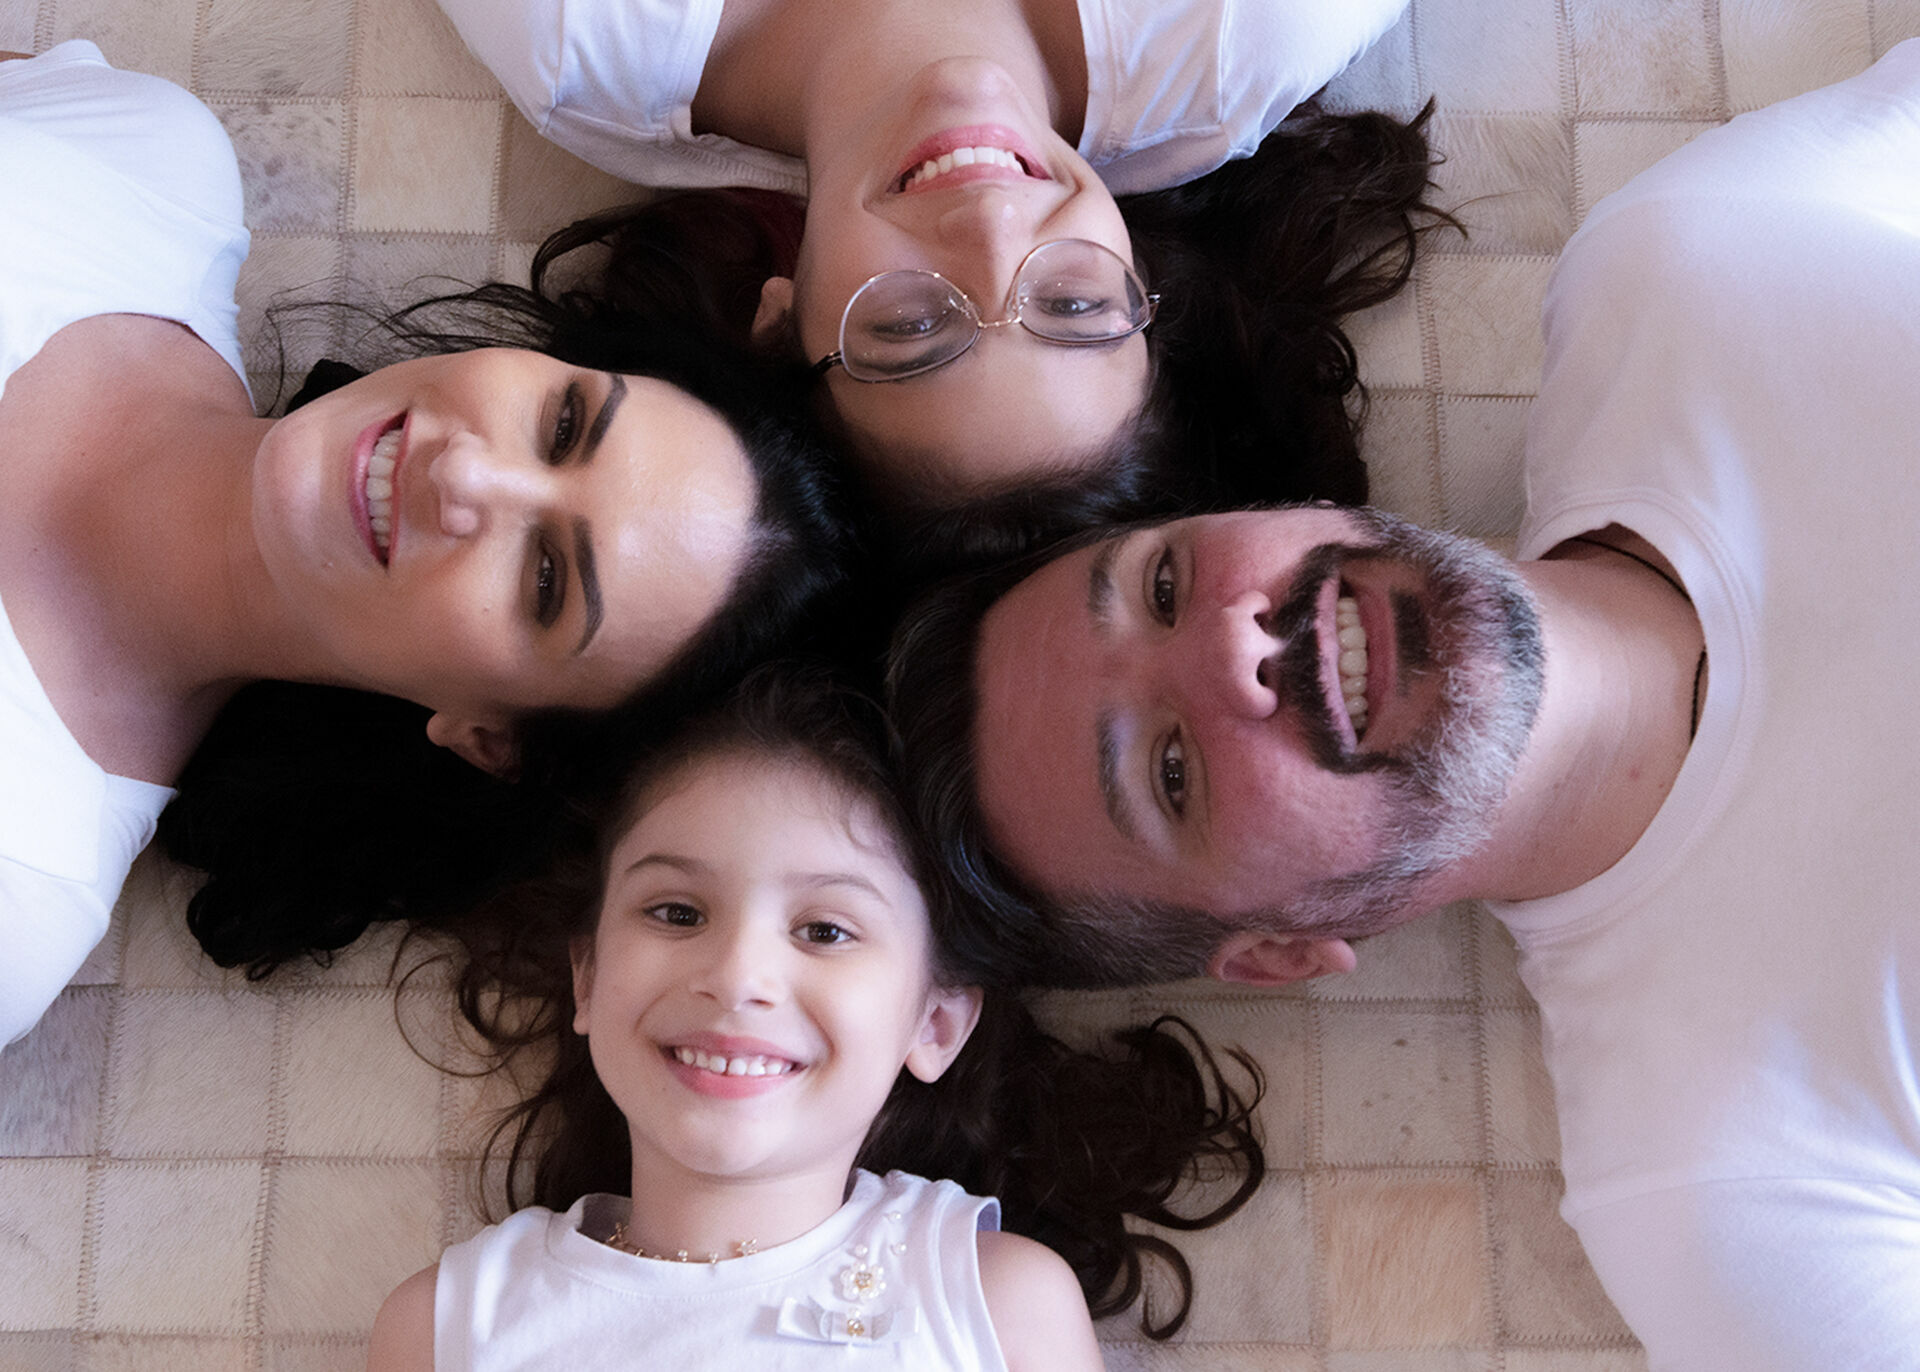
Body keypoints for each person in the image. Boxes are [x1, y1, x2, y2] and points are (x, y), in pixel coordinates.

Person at [887, 42, 1920, 1369]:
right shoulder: (1726, 1186)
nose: (1232, 652)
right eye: (1173, 774)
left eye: (1156, 587)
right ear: (1277, 949)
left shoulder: (1687, 278)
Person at [0, 42, 847, 1044]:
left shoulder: (22, 893)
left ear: (490, 735)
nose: (463, 475)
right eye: (564, 424)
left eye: (543, 580)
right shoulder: (142, 171)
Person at [366, 663, 1264, 1368]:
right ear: (589, 977)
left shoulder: (993, 1304)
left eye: (826, 929)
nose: (738, 975)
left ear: (937, 1024)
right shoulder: (446, 1327)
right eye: (676, 912)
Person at [436, 0, 1439, 523]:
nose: (995, 229)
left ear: (782, 317)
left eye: (913, 324)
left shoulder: (574, 34)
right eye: (1077, 304)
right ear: (1143, 280)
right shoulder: (1243, 32)